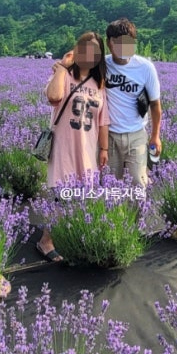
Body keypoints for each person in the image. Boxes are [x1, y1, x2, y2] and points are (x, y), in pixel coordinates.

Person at [36, 31, 110, 262]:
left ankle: (69, 235)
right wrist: (62, 67)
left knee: (83, 196)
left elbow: (103, 120)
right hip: (64, 146)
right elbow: (54, 97)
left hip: (87, 149)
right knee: (61, 196)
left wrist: (104, 149)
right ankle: (46, 241)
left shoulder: (99, 84)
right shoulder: (65, 76)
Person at [104, 18, 162, 188]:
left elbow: (155, 104)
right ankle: (115, 215)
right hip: (109, 135)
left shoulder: (145, 67)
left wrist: (155, 136)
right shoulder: (102, 64)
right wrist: (62, 67)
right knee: (110, 184)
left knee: (138, 183)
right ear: (109, 43)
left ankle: (138, 215)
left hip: (136, 134)